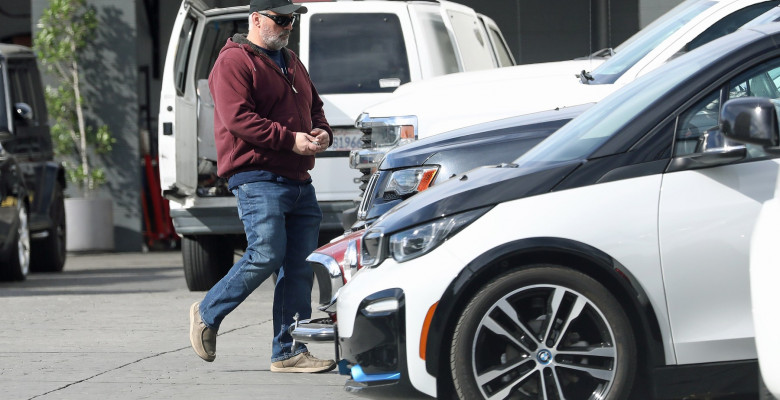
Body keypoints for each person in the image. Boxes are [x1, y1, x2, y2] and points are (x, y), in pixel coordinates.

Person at [188, 0, 336, 373]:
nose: (288, 26)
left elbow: (316, 108)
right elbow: (239, 119)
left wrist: (322, 133)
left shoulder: (290, 60)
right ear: (256, 19)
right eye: (281, 19)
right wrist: (291, 141)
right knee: (266, 252)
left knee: (299, 267)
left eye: (292, 20)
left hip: (300, 179)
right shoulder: (233, 62)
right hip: (258, 178)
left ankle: (289, 352)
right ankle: (207, 311)